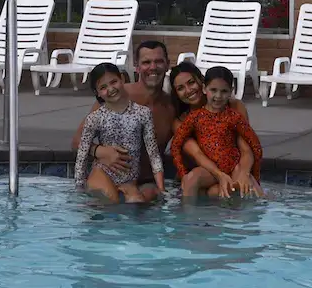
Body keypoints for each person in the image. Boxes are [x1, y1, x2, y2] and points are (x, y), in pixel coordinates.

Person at [71, 40, 175, 202]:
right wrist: (102, 152)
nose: (153, 67)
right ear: (137, 66)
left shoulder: (171, 107)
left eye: (159, 61)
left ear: (168, 64)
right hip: (107, 176)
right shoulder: (115, 94)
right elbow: (77, 142)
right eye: (146, 62)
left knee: (145, 202)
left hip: (144, 182)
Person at [169, 61, 262, 198]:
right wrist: (183, 174)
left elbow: (249, 147)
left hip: (233, 167)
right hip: (204, 174)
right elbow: (196, 154)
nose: (188, 90)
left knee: (247, 190)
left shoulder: (234, 111)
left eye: (191, 82)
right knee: (206, 189)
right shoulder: (185, 121)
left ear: (201, 82)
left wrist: (246, 173)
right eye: (181, 88)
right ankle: (188, 219)